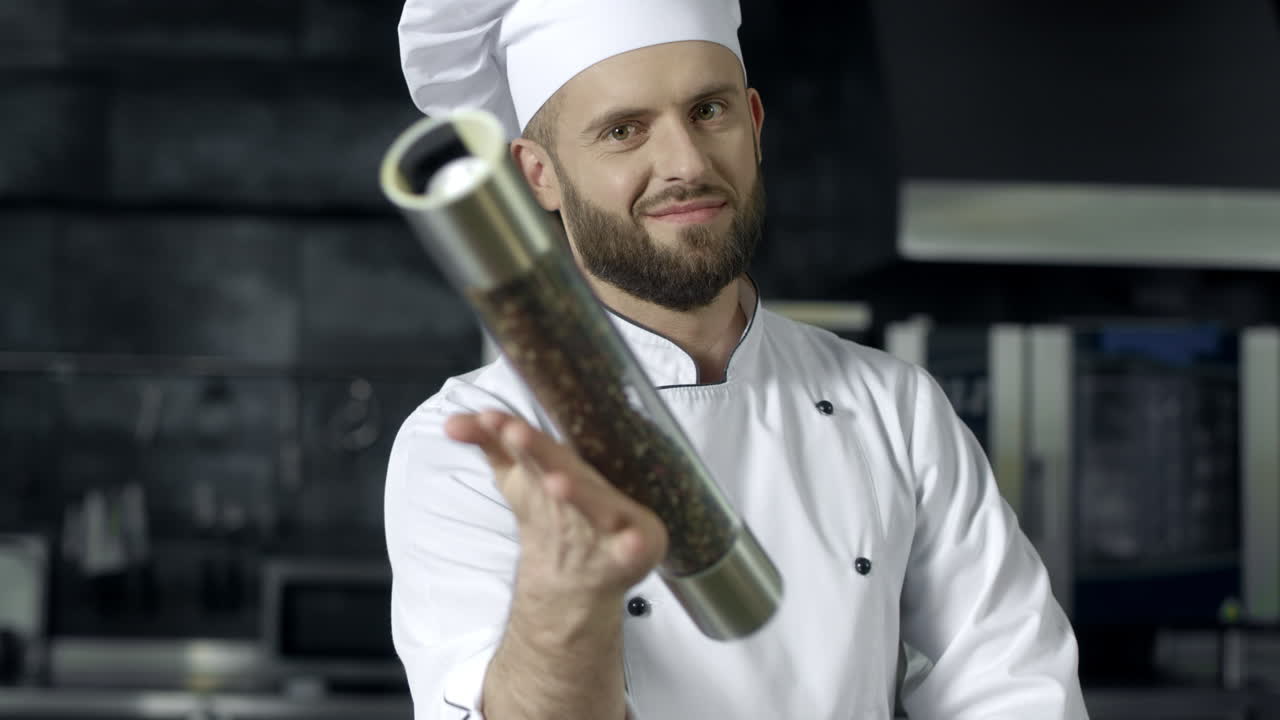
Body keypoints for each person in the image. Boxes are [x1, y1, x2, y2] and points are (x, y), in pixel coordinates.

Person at [386, 1, 1090, 718]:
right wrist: (567, 592)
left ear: (753, 124)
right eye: (624, 131)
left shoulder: (895, 408)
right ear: (539, 174)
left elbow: (1012, 684)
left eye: (708, 111)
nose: (686, 164)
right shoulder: (469, 444)